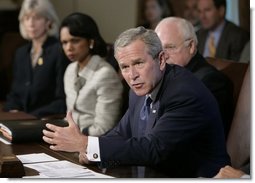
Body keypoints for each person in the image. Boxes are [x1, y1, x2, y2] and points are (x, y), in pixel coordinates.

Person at [43, 27, 230, 178]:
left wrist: (85, 144)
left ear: (162, 59)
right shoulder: (141, 87)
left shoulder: (184, 93)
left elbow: (154, 148)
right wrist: (92, 152)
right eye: (125, 67)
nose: (132, 76)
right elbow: (122, 133)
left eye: (139, 63)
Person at [155, 17, 234, 137]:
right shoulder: (164, 76)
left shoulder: (211, 82)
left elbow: (180, 135)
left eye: (170, 47)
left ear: (191, 46)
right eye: (159, 49)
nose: (163, 56)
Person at [59, 13, 123, 136]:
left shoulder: (106, 75)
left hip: (93, 144)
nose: (69, 48)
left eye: (75, 41)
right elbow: (69, 118)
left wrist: (73, 136)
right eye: (64, 42)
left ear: (91, 42)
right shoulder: (70, 70)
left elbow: (104, 128)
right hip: (70, 140)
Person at [3, 0, 70, 118]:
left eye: (37, 18)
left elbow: (62, 100)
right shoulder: (21, 53)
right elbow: (14, 94)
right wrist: (13, 109)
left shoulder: (59, 51)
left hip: (45, 120)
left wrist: (31, 116)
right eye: (26, 18)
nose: (31, 24)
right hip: (20, 121)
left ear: (49, 21)